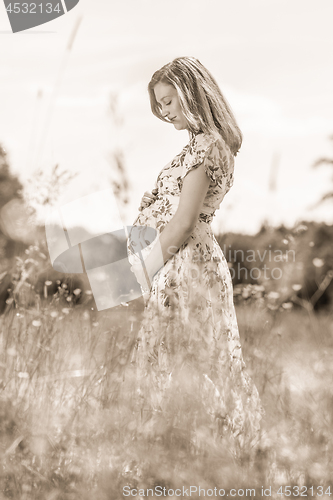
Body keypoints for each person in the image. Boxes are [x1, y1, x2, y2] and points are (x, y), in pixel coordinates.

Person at [127, 56, 264, 460]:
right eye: (160, 105)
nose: (164, 112)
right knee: (193, 354)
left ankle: (193, 453)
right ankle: (194, 452)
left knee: (183, 356)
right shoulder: (199, 146)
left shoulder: (205, 147)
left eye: (169, 102)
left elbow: (185, 221)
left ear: (192, 94)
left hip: (186, 263)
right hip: (179, 261)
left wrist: (143, 271)